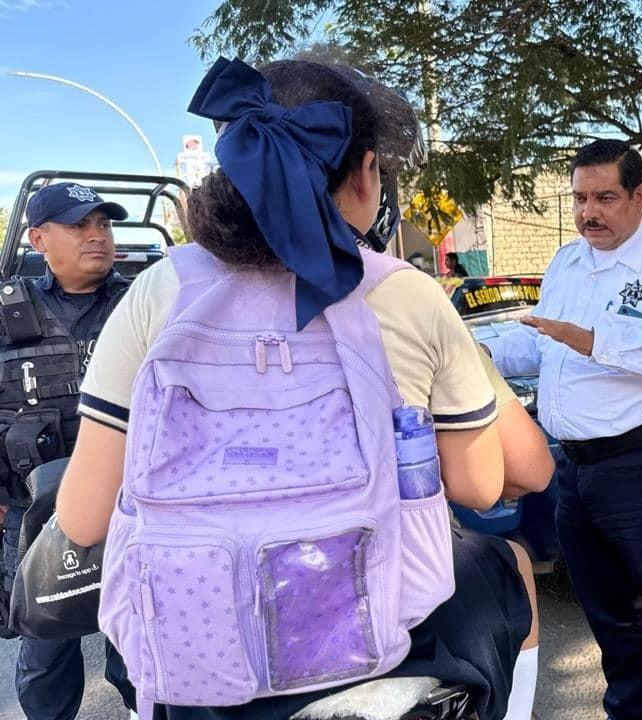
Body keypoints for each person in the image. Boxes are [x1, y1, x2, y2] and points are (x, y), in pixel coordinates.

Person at [54, 57, 543, 720]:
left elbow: (83, 518)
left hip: (196, 668)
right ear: (367, 173)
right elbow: (481, 486)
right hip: (383, 646)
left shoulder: (157, 290)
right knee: (507, 562)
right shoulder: (404, 293)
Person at [483, 139, 642, 720]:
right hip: (574, 472)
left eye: (604, 197)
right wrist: (476, 352)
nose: (588, 211)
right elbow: (540, 341)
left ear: (640, 197)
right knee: (609, 621)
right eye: (578, 198)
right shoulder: (569, 262)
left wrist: (594, 340)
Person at [0, 182, 130, 720]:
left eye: (104, 224)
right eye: (79, 226)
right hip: (36, 514)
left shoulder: (142, 304)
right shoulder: (8, 316)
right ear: (38, 238)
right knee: (45, 651)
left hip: (132, 508)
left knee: (140, 643)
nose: (97, 236)